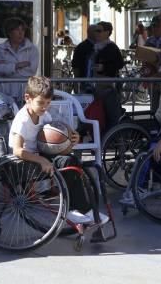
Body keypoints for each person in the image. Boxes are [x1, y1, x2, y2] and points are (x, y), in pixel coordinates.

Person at [9, 75, 107, 226]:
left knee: (72, 161)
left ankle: (84, 209)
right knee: (67, 163)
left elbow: (55, 138)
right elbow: (17, 150)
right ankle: (74, 209)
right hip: (25, 161)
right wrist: (41, 160)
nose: (45, 107)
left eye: (48, 103)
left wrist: (72, 138)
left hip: (41, 155)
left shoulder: (44, 115)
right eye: (41, 103)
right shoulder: (22, 120)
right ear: (27, 98)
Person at [0, 17, 39, 103]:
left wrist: (7, 67)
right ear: (9, 32)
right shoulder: (0, 48)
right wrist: (16, 66)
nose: (21, 33)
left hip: (24, 92)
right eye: (17, 30)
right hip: (3, 91)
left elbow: (31, 70)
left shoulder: (32, 49)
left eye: (23, 30)